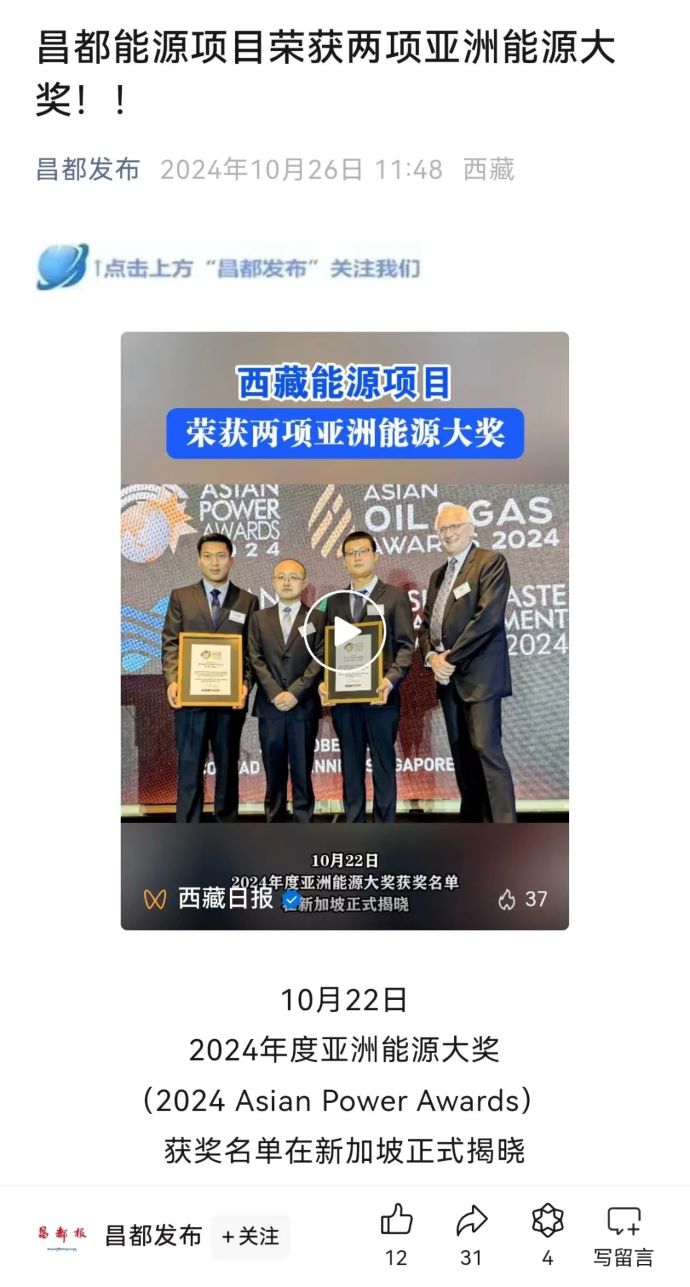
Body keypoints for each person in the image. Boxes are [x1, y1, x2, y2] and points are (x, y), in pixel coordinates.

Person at [419, 504, 516, 823]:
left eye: (454, 527)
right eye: (442, 529)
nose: (448, 534)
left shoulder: (490, 562)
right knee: (463, 759)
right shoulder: (438, 575)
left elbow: (488, 619)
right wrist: (431, 658)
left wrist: (449, 658)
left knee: (487, 753)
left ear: (471, 528)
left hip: (480, 678)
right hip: (447, 681)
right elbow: (426, 627)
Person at [319, 531, 415, 823]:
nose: (357, 557)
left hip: (380, 697)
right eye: (351, 553)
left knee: (384, 766)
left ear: (375, 556)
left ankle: (384, 829)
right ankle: (354, 827)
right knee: (351, 767)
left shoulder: (395, 597)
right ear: (344, 560)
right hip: (344, 701)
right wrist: (325, 682)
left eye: (363, 551)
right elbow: (327, 648)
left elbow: (406, 647)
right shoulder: (335, 602)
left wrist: (389, 681)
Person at [161, 534, 258, 822]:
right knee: (190, 766)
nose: (215, 562)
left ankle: (225, 830)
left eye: (221, 556)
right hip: (190, 701)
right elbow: (171, 642)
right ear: (199, 560)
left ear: (232, 560)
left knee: (227, 768)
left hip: (230, 702)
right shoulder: (181, 596)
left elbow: (251, 652)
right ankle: (188, 831)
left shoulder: (247, 600)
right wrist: (173, 680)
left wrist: (245, 685)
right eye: (208, 556)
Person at [248, 559, 325, 823]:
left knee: (302, 770)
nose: (287, 582)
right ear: (273, 582)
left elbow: (320, 659)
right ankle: (275, 823)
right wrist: (274, 692)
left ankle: (303, 823)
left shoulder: (317, 618)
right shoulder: (259, 618)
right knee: (274, 771)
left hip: (302, 706)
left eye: (293, 577)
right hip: (270, 707)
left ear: (304, 583)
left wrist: (295, 693)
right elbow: (255, 658)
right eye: (281, 577)